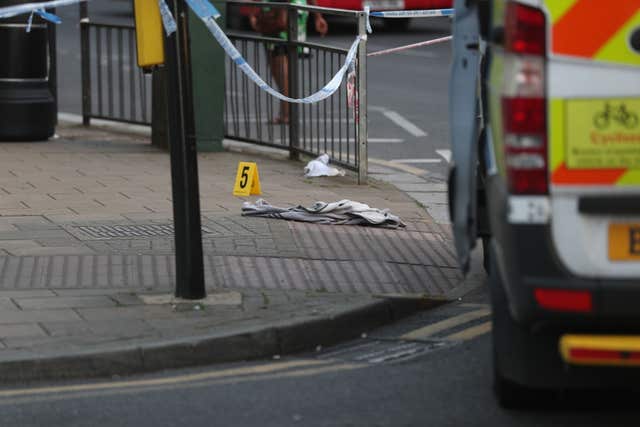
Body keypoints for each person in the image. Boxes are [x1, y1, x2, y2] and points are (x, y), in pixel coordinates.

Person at [249, 0, 328, 124]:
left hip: (282, 15)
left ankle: (287, 113)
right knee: (285, 67)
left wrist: (256, 14)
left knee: (280, 68)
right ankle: (287, 111)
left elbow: (280, 21)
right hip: (293, 12)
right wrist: (318, 17)